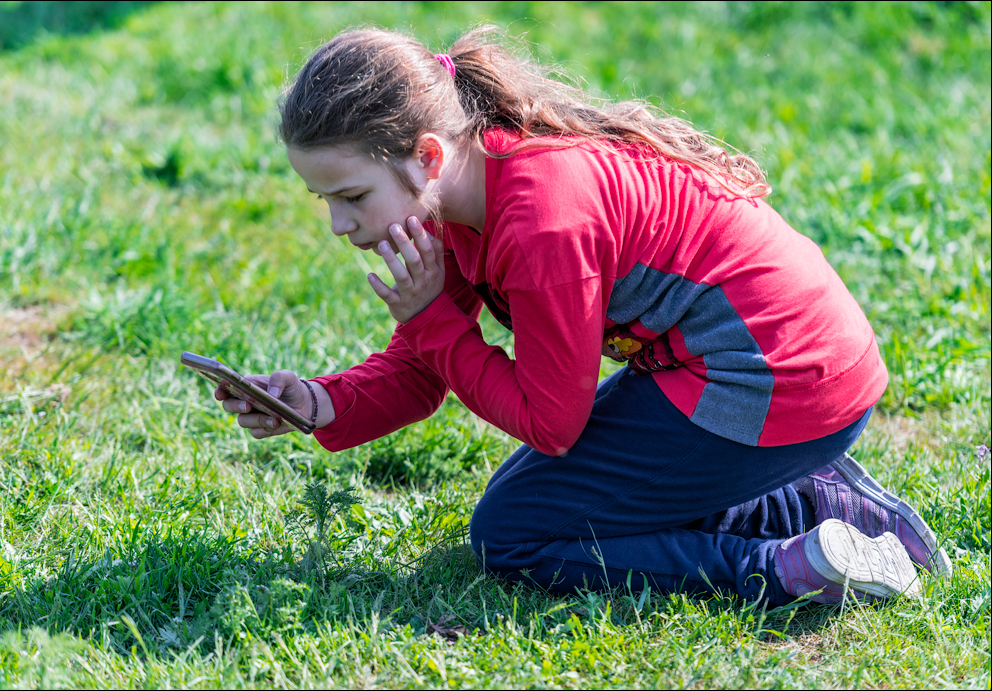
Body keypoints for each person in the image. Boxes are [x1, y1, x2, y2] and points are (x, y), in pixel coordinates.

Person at [214, 26, 951, 606]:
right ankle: (808, 497)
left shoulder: (541, 222)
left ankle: (784, 557)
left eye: (350, 196)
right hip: (767, 368)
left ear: (427, 156)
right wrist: (320, 400)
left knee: (516, 530)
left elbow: (550, 421)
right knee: (531, 509)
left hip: (785, 380)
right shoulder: (463, 191)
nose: (340, 225)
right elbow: (425, 365)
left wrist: (438, 321)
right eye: (326, 201)